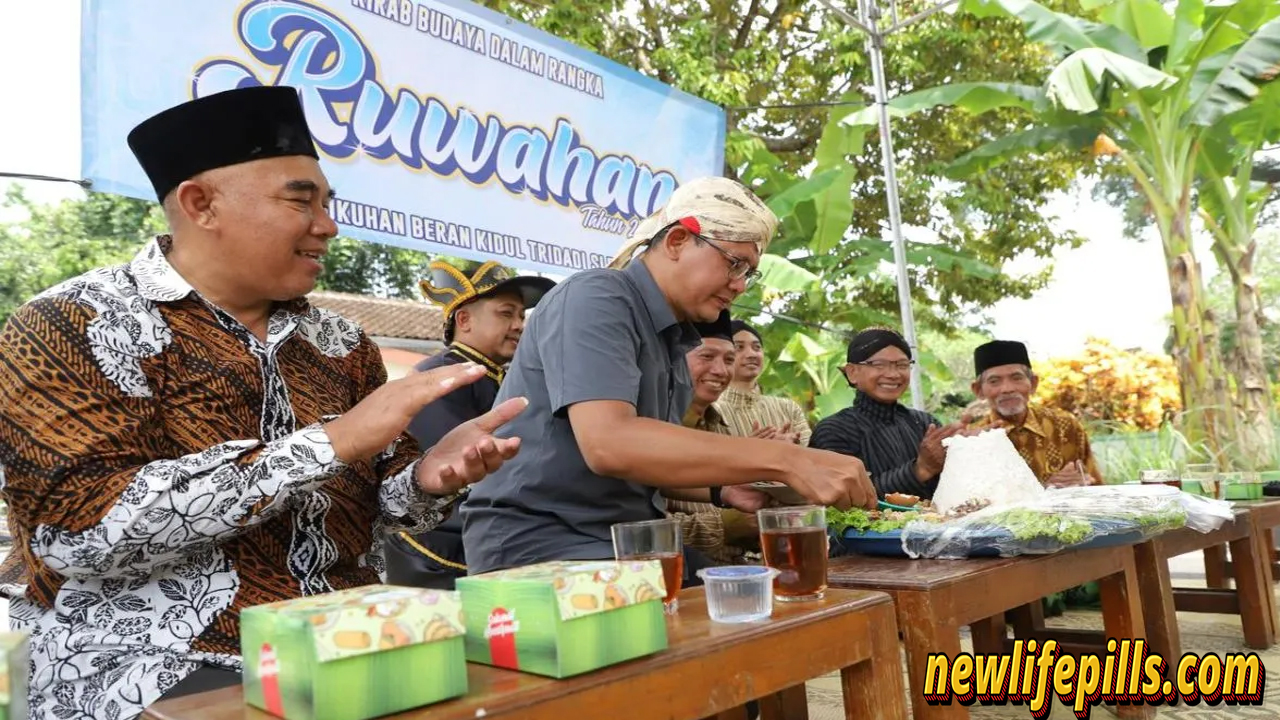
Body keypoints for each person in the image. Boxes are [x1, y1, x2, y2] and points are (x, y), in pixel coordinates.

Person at [0, 86, 525, 720]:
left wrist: (427, 477)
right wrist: (330, 443)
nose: (328, 225)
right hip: (150, 669)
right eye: (300, 200)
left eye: (328, 203)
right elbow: (73, 533)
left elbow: (379, 507)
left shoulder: (341, 344)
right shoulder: (66, 325)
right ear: (201, 204)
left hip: (353, 645)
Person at [460, 177, 877, 575]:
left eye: (749, 273)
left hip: (625, 542)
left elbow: (647, 456)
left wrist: (723, 490)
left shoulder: (673, 338)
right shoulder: (597, 296)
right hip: (540, 545)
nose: (739, 285)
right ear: (677, 240)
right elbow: (610, 444)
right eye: (734, 264)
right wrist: (789, 459)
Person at [387, 260, 554, 589]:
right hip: (438, 553)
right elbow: (463, 469)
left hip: (483, 541)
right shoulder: (440, 376)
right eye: (506, 314)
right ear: (463, 319)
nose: (519, 325)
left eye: (521, 316)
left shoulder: (496, 376)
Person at [810, 328, 959, 500]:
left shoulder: (925, 423)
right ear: (852, 372)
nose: (893, 374)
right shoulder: (833, 430)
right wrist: (920, 469)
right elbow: (846, 495)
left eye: (902, 365)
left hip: (936, 526)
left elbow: (953, 483)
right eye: (879, 365)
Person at [666, 311, 760, 565]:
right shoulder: (651, 431)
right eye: (706, 356)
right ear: (673, 360)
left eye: (729, 359)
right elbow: (639, 531)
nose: (720, 370)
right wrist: (726, 526)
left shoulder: (725, 430)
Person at [969, 340, 1102, 486]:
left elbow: (1096, 487)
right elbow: (974, 503)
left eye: (1016, 378)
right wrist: (1045, 491)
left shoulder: (1065, 426)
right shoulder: (972, 440)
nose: (1007, 388)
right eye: (994, 381)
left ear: (1033, 383)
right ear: (978, 390)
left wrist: (1082, 484)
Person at [715, 320, 812, 445]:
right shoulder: (710, 411)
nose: (751, 354)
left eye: (757, 347)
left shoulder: (788, 408)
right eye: (739, 347)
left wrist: (792, 447)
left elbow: (812, 455)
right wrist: (750, 450)